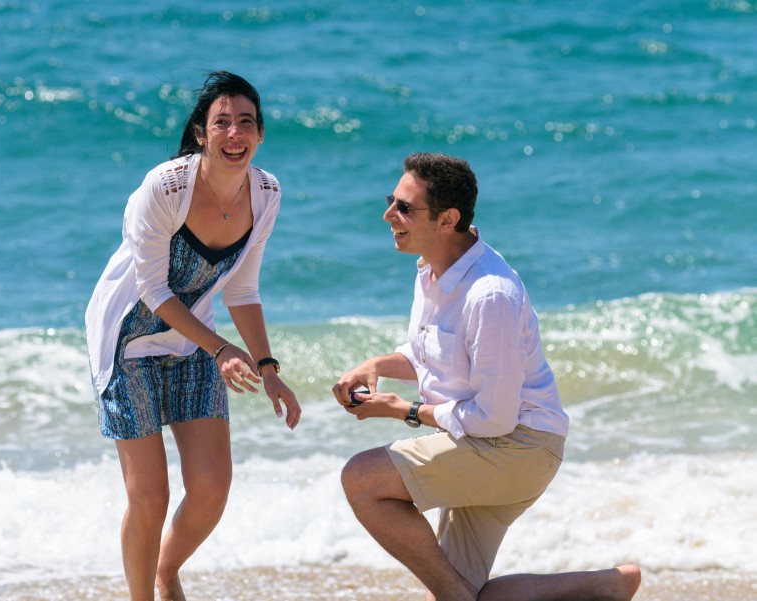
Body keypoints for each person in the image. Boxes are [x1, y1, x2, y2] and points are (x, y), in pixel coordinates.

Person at [331, 153, 641, 601]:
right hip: (487, 443)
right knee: (460, 595)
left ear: (447, 220)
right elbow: (433, 355)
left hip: (519, 447)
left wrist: (406, 411)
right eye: (391, 201)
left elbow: (494, 418)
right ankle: (607, 586)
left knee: (362, 478)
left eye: (404, 208)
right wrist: (376, 366)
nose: (388, 215)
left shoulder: (489, 294)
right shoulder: (430, 270)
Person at [85, 71, 300, 601]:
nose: (235, 133)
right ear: (201, 134)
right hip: (126, 343)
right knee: (150, 497)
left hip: (191, 343)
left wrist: (269, 368)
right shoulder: (166, 187)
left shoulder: (266, 193)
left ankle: (166, 570)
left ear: (260, 134)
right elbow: (153, 291)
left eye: (245, 123)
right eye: (221, 122)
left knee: (210, 490)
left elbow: (242, 290)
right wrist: (223, 348)